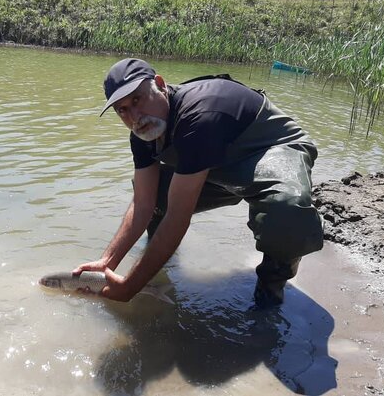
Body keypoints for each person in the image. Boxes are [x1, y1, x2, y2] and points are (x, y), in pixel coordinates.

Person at [73, 58, 324, 308]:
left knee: (287, 210)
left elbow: (177, 216)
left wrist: (131, 286)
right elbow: (143, 203)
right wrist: (107, 262)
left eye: (137, 100)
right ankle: (161, 267)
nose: (134, 117)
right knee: (158, 193)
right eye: (122, 110)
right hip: (215, 168)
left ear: (160, 84)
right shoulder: (142, 134)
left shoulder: (199, 117)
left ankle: (271, 289)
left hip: (269, 151)